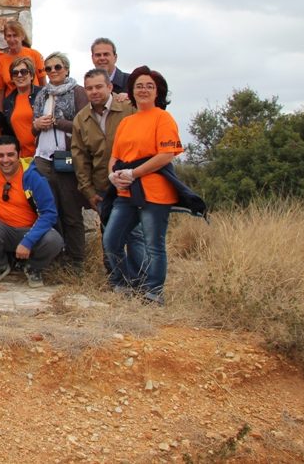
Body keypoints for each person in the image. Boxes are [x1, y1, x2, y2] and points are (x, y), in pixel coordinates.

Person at [103, 67, 189, 305]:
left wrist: (135, 173)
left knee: (153, 245)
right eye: (139, 86)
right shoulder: (126, 122)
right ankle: (126, 283)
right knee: (111, 240)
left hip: (155, 192)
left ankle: (153, 293)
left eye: (149, 86)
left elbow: (166, 154)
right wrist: (112, 175)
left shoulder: (163, 118)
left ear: (157, 91)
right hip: (125, 191)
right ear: (131, 91)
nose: (143, 90)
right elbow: (115, 156)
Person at [0, 136, 64, 287]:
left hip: (31, 229)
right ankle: (0, 265)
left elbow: (49, 214)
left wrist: (28, 241)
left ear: (19, 154)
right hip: (2, 228)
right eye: (0, 155)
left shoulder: (33, 177)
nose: (5, 160)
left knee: (54, 240)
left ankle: (33, 267)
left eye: (10, 155)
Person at [31, 51, 89, 270]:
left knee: (71, 210)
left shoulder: (77, 92)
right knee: (50, 211)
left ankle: (76, 261)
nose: (53, 71)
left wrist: (57, 122)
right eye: (48, 68)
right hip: (43, 157)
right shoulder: (42, 95)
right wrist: (37, 125)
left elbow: (83, 125)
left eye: (57, 67)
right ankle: (56, 257)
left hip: (67, 157)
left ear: (67, 69)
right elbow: (33, 128)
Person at [71, 68, 135, 214]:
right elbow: (80, 159)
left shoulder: (129, 108)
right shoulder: (81, 119)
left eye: (99, 87)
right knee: (108, 227)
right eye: (89, 88)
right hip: (103, 190)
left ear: (110, 87)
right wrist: (89, 192)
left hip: (131, 184)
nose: (94, 92)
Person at [0, 19, 45, 99]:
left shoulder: (34, 55)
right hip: (12, 104)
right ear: (5, 38)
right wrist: (1, 107)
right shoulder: (1, 60)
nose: (12, 39)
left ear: (22, 36)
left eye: (15, 35)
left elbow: (43, 83)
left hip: (34, 101)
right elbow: (0, 90)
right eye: (9, 36)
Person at [3, 56, 41, 158]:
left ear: (31, 75)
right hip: (22, 158)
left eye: (23, 72)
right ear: (12, 78)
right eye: (15, 73)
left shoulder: (43, 94)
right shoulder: (8, 101)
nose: (19, 75)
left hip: (44, 155)